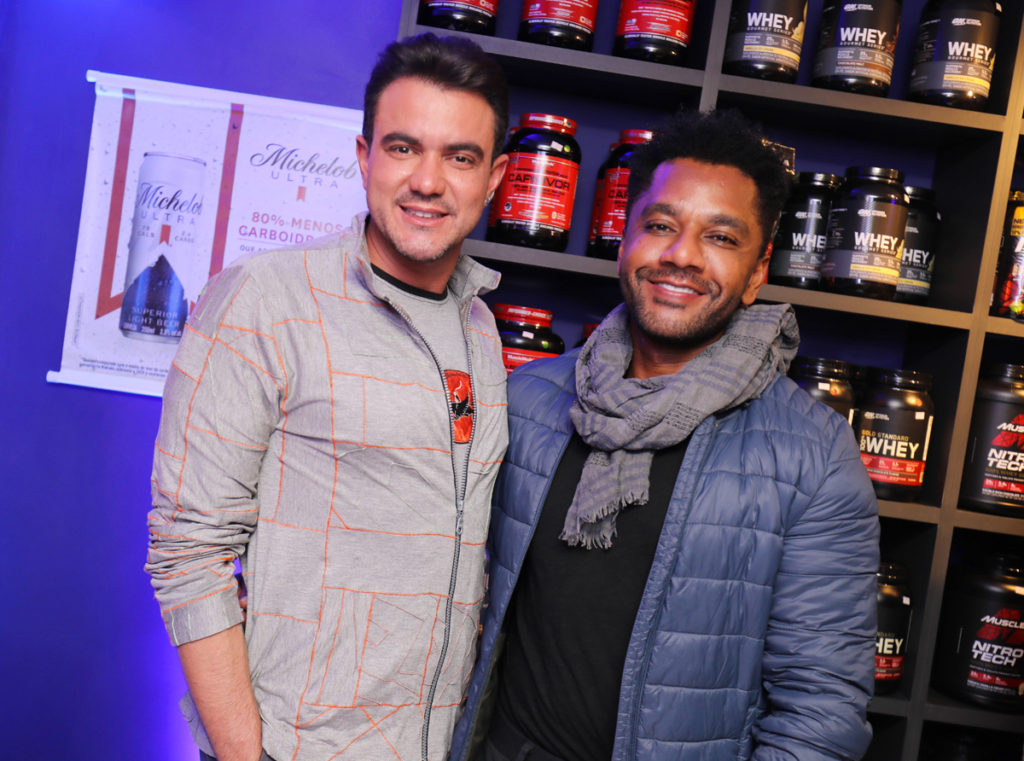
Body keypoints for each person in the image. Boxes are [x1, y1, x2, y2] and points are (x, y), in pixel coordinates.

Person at [449, 108, 880, 761]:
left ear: (758, 272)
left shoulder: (811, 453)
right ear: (625, 238)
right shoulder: (532, 398)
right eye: (660, 226)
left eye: (721, 237)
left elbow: (820, 710)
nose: (681, 255)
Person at [145, 33, 510, 761]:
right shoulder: (265, 299)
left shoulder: (481, 327)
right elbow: (188, 549)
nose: (428, 180)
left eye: (460, 157)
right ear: (364, 155)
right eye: (403, 148)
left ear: (495, 177)